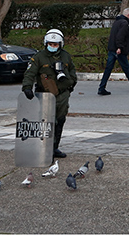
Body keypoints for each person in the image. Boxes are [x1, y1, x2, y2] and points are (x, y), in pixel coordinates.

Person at [22, 29, 78, 159]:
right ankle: (44, 148)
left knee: (60, 120)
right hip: (45, 94)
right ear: (46, 43)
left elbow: (72, 71)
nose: (53, 46)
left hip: (62, 95)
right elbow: (30, 73)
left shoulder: (66, 56)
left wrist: (71, 84)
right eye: (50, 44)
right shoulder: (39, 57)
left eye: (55, 44)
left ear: (60, 44)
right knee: (46, 122)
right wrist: (27, 87)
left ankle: (55, 147)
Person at [98, 7, 129, 95]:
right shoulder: (124, 23)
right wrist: (119, 47)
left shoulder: (117, 22)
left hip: (112, 48)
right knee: (126, 68)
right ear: (128, 15)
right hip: (119, 50)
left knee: (108, 69)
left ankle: (101, 87)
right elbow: (120, 36)